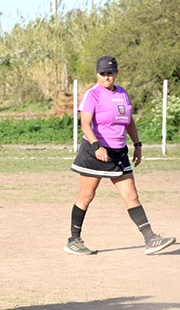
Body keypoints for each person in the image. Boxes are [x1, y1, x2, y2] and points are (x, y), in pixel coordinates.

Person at [65, 56, 175, 256]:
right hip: (95, 152)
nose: (107, 77)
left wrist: (137, 144)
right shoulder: (92, 95)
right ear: (97, 74)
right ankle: (74, 239)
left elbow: (129, 121)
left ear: (116, 73)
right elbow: (85, 125)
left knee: (132, 196)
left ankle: (150, 239)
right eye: (103, 73)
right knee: (86, 196)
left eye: (110, 73)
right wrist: (97, 146)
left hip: (119, 152)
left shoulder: (122, 93)